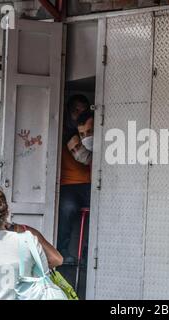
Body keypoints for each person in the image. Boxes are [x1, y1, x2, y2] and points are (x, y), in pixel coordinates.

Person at [58, 95, 93, 264]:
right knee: (67, 209)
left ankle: (90, 251)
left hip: (91, 183)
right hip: (68, 184)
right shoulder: (64, 132)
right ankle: (61, 250)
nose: (79, 114)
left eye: (83, 111)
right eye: (75, 110)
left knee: (103, 211)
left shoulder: (91, 130)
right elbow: (83, 158)